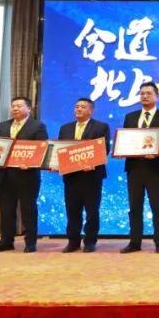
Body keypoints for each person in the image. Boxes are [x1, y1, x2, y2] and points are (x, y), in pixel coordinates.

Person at [120, 82, 159, 254]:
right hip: (134, 168)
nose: (144, 96)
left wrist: (158, 155)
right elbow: (125, 140)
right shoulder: (130, 117)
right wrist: (121, 150)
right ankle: (134, 242)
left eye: (148, 93)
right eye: (142, 93)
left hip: (154, 169)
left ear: (157, 97)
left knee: (157, 206)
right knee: (134, 207)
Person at [0, 96, 48, 253]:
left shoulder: (38, 126)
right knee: (6, 211)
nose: (15, 108)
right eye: (13, 106)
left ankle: (30, 242)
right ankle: (6, 241)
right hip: (4, 175)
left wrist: (31, 162)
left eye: (19, 106)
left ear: (29, 108)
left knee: (28, 211)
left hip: (27, 176)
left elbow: (42, 149)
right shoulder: (3, 125)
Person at [57, 97, 110, 253]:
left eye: (82, 107)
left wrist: (93, 162)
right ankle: (73, 241)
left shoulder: (101, 127)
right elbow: (59, 150)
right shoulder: (65, 128)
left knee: (92, 211)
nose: (78, 109)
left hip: (92, 175)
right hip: (71, 176)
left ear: (91, 111)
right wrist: (55, 163)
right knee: (72, 210)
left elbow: (104, 149)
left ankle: (90, 241)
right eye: (76, 106)